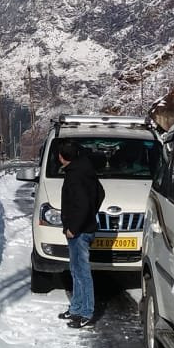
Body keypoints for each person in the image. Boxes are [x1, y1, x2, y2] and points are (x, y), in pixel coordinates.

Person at [55, 140, 104, 328]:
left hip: (80, 231)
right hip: (85, 227)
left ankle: (86, 313)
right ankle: (76, 308)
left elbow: (82, 204)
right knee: (76, 271)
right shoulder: (86, 170)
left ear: (63, 157)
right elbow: (100, 192)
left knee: (82, 272)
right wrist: (92, 212)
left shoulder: (74, 175)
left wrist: (73, 227)